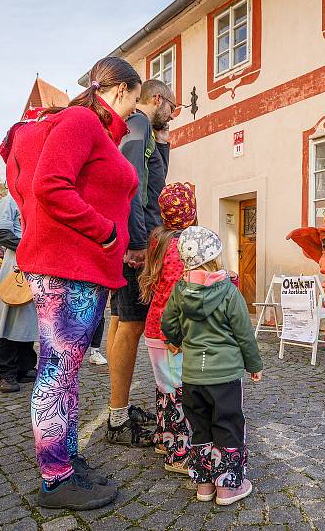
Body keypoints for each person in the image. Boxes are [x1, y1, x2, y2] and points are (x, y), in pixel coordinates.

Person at [4, 56, 141, 510]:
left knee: (64, 372)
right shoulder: (81, 120)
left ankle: (66, 458)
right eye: (135, 99)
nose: (135, 111)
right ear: (120, 90)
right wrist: (105, 232)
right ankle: (55, 478)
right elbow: (49, 186)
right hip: (69, 267)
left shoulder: (92, 129)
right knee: (57, 372)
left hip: (81, 267)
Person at [161, 227, 263, 506]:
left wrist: (176, 340)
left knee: (200, 425)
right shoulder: (228, 292)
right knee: (228, 424)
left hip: (193, 375)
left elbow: (167, 323)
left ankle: (204, 484)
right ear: (216, 257)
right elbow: (243, 332)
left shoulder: (180, 291)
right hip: (225, 375)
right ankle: (229, 486)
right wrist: (254, 364)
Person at [105, 79, 176, 447]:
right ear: (158, 100)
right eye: (172, 109)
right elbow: (132, 185)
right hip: (136, 239)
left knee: (120, 319)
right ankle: (117, 418)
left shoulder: (145, 130)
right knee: (131, 324)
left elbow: (156, 183)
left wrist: (164, 143)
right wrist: (135, 244)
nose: (172, 116)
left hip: (130, 234)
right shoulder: (139, 124)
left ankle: (120, 406)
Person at [139, 183, 197, 475]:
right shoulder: (186, 245)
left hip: (154, 328)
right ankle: (178, 454)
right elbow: (183, 291)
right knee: (180, 391)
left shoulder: (157, 239)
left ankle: (164, 438)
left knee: (165, 388)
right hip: (175, 331)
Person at [0, 194, 39, 394]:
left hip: (38, 266)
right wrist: (27, 247)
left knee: (29, 321)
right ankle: (6, 371)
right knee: (11, 320)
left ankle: (24, 367)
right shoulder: (12, 200)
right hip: (17, 265)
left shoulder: (38, 197)